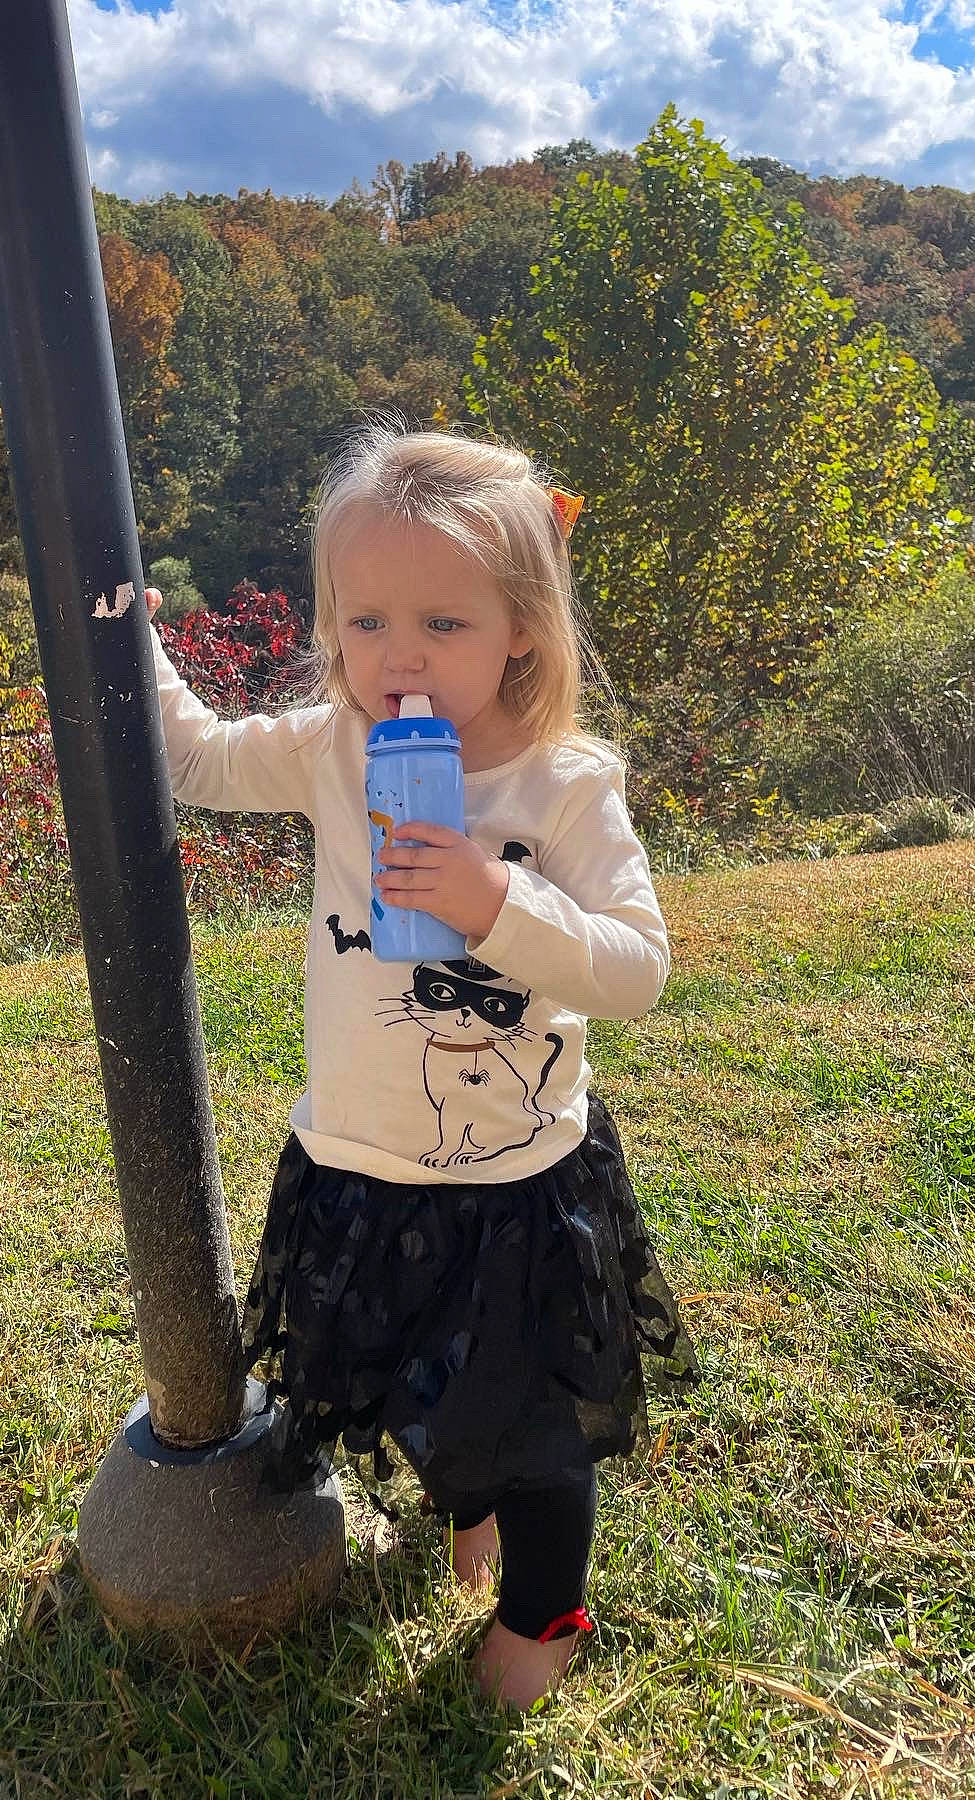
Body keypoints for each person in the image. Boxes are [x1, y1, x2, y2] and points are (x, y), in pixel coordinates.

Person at [141, 419, 701, 1708]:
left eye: (445, 625)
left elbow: (635, 966)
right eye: (365, 618)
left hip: (516, 1184)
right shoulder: (334, 747)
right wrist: (134, 630)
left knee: (538, 1430)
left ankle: (541, 1620)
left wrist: (492, 898)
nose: (398, 655)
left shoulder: (563, 787)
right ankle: (468, 1509)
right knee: (409, 1385)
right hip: (359, 1159)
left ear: (522, 631)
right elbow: (200, 760)